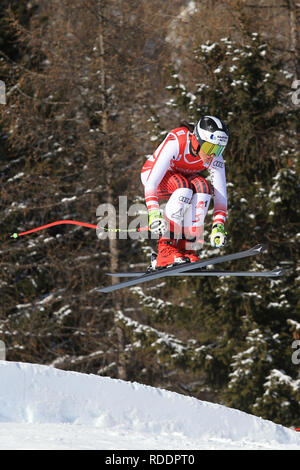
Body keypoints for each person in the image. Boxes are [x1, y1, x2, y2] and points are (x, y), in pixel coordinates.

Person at [141, 115, 228, 269]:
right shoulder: (177, 141)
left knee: (203, 188)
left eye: (218, 149)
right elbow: (151, 183)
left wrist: (218, 227)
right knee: (184, 187)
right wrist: (154, 213)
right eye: (209, 148)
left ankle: (186, 247)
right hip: (154, 177)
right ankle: (165, 250)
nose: (212, 155)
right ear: (197, 140)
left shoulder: (215, 157)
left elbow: (221, 197)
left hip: (182, 179)